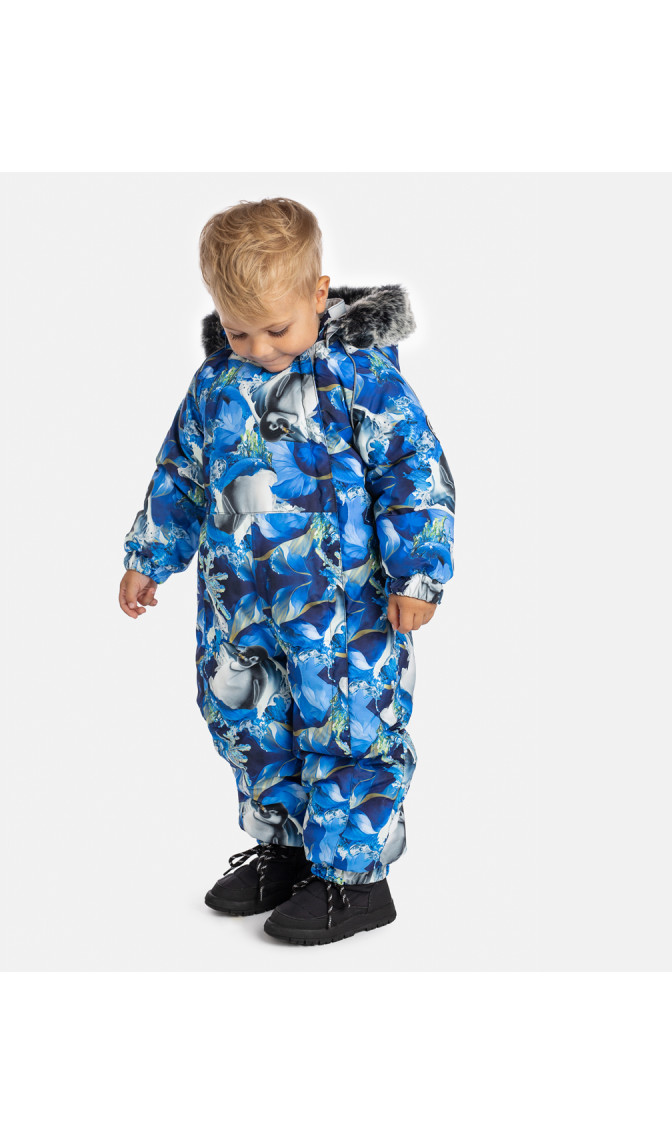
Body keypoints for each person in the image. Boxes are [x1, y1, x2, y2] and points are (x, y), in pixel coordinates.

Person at [118, 197, 455, 945]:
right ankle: (288, 849)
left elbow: (414, 474)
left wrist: (418, 574)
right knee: (251, 721)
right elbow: (181, 475)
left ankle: (354, 880)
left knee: (348, 728)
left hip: (345, 612)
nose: (259, 348)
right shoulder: (215, 384)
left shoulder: (359, 380)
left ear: (318, 293)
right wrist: (149, 556)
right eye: (238, 331)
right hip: (240, 606)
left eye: (276, 329)